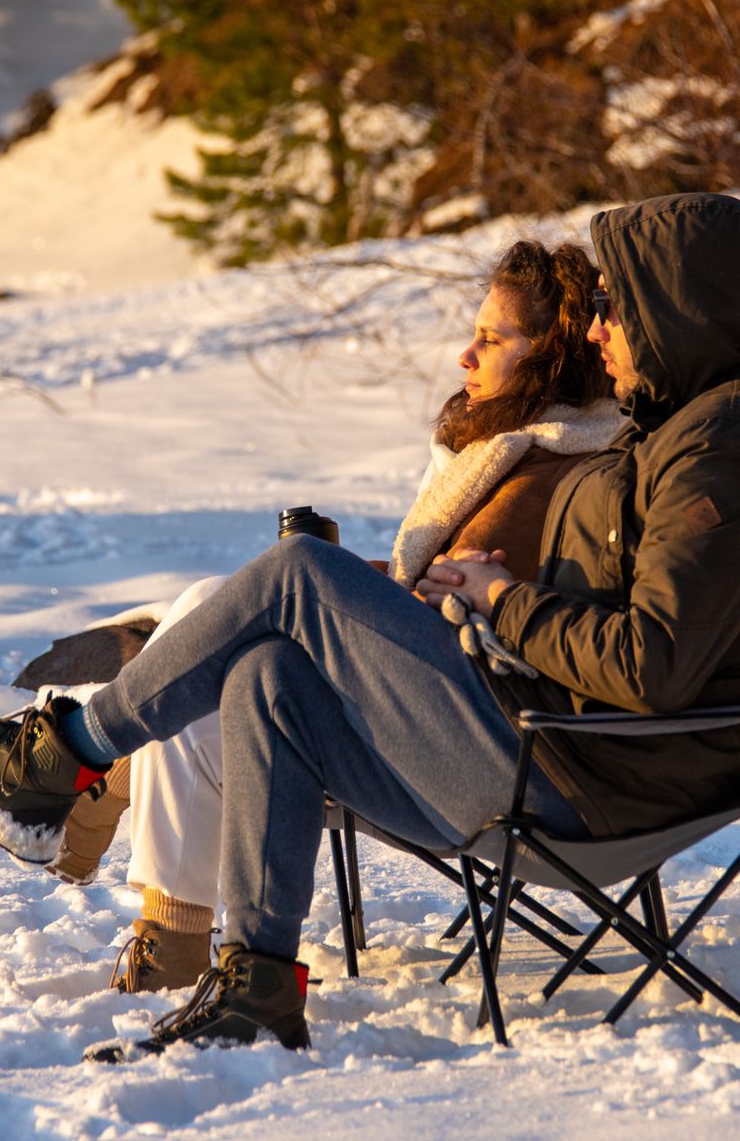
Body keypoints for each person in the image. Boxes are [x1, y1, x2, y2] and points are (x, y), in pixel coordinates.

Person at [0, 192, 740, 1062]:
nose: (600, 325)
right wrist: (493, 595)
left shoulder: (725, 446)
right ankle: (256, 988)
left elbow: (653, 663)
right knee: (267, 680)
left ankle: (57, 761)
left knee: (298, 573)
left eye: (619, 303)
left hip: (589, 775)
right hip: (561, 744)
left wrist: (504, 602)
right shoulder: (688, 428)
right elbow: (638, 616)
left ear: (684, 308)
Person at [43, 239, 622, 993]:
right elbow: (452, 592)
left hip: (473, 750)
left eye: (491, 338)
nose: (464, 356)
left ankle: (96, 786)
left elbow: (481, 617)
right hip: (440, 712)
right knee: (223, 634)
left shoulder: (556, 471)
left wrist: (346, 589)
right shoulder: (514, 447)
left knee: (234, 643)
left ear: (548, 356)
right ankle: (128, 842)